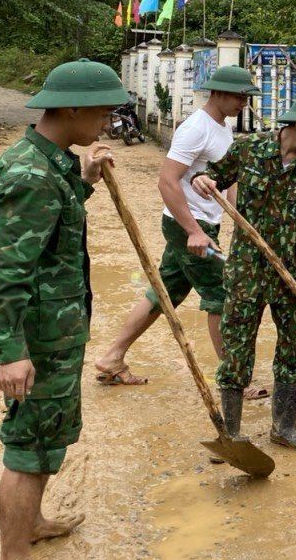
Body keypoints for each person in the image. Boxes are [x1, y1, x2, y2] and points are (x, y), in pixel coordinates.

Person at [0, 58, 125, 560]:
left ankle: (31, 525)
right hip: (35, 336)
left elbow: (48, 233)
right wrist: (11, 350)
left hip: (56, 329)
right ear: (72, 107)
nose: (109, 119)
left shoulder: (53, 162)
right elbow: (6, 273)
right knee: (27, 444)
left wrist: (82, 184)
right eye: (104, 109)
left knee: (45, 437)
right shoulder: (31, 174)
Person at [190, 93, 296, 452]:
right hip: (247, 271)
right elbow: (211, 175)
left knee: (295, 351)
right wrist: (202, 180)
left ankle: (284, 428)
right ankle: (231, 436)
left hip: (292, 278)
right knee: (238, 349)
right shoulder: (250, 150)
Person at [93, 65, 261, 387]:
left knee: (164, 292)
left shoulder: (223, 127)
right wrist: (194, 231)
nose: (244, 102)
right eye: (239, 96)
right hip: (188, 225)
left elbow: (228, 181)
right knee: (220, 294)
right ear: (218, 92)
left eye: (246, 96)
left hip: (202, 224)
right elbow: (167, 181)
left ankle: (113, 356)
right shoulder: (195, 128)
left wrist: (243, 221)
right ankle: (233, 378)